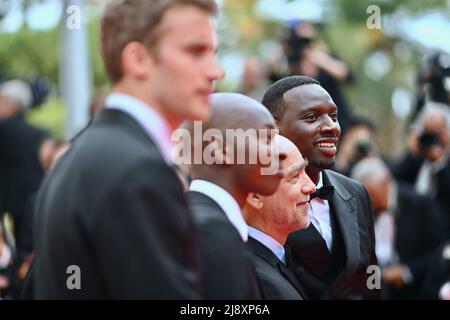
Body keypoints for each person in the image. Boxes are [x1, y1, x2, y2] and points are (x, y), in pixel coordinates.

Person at [32, 0, 222, 299]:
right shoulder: (137, 169)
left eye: (215, 53)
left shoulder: (79, 156)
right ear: (138, 59)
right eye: (195, 51)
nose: (216, 71)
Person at [262, 75, 380, 300]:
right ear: (272, 129)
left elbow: (371, 271)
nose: (331, 127)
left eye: (334, 116)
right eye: (312, 117)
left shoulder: (356, 192)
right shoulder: (256, 199)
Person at [184, 92, 285, 299]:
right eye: (267, 139)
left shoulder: (196, 220)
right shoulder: (211, 231)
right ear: (218, 149)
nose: (281, 152)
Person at [351, 157, 445, 299]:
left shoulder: (420, 204)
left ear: (386, 181)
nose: (368, 202)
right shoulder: (360, 208)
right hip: (377, 280)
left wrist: (407, 272)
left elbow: (439, 250)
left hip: (415, 289)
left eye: (370, 194)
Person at [243, 135, 316, 299]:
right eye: (295, 176)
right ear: (255, 195)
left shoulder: (278, 256)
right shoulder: (247, 277)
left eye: (305, 171)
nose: (311, 186)